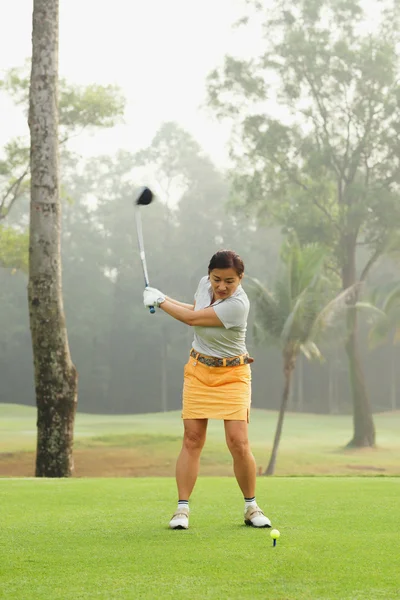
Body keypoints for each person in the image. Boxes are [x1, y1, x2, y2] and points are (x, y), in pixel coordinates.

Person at [143, 249, 271, 530]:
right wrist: (162, 296)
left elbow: (193, 320)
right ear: (209, 275)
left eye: (229, 281)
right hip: (199, 371)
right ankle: (181, 510)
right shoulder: (204, 284)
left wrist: (161, 301)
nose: (221, 286)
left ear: (240, 279)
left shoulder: (238, 305)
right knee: (192, 439)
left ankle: (251, 506)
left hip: (233, 375)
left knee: (238, 441)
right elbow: (195, 310)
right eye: (216, 279)